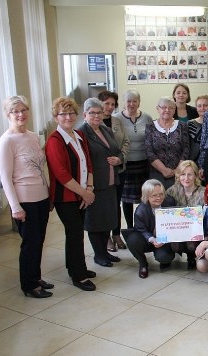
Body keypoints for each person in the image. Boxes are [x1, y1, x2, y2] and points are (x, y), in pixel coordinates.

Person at [0, 96, 52, 298]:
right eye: (15, 111)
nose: (21, 114)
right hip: (24, 201)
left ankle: (36, 277)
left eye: (24, 110)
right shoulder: (6, 141)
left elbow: (40, 168)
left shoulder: (32, 136)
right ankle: (29, 285)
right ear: (7, 115)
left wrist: (48, 194)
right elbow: (6, 178)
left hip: (41, 196)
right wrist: (15, 207)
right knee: (30, 243)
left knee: (39, 241)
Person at [45, 97, 96, 292]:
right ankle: (79, 276)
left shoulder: (79, 136)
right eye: (63, 114)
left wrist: (89, 190)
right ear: (56, 117)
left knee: (76, 234)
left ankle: (75, 267)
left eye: (71, 113)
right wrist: (84, 193)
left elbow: (88, 164)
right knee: (74, 233)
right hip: (65, 198)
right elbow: (62, 175)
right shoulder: (54, 141)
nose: (68, 117)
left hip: (82, 194)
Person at [79, 98, 122, 267]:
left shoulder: (105, 130)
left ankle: (105, 252)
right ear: (85, 114)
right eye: (92, 113)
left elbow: (117, 150)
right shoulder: (81, 133)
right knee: (95, 221)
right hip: (94, 185)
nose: (96, 116)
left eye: (99, 113)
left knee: (108, 220)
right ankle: (99, 255)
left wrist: (119, 159)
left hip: (110, 183)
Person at [114, 89, 153, 230]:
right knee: (127, 199)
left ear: (139, 102)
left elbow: (151, 138)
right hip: (126, 164)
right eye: (128, 101)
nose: (131, 104)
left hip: (144, 163)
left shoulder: (147, 118)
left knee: (144, 197)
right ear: (123, 103)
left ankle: (144, 226)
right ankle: (130, 228)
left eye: (134, 101)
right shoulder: (116, 118)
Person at [97, 90, 130, 252]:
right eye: (106, 103)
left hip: (119, 170)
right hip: (102, 173)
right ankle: (106, 238)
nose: (109, 107)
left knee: (116, 204)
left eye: (112, 104)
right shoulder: (94, 123)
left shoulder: (117, 121)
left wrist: (120, 158)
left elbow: (125, 142)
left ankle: (116, 234)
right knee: (105, 205)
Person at [125, 179, 176, 278]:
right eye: (154, 195)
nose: (158, 198)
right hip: (147, 239)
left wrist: (166, 239)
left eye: (161, 194)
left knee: (165, 258)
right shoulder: (140, 211)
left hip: (164, 239)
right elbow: (141, 230)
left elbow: (174, 224)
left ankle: (163, 258)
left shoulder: (169, 201)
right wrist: (152, 239)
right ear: (146, 196)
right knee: (132, 240)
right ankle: (143, 263)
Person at [163, 160, 205, 270]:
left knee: (191, 245)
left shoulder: (203, 192)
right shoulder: (172, 190)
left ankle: (191, 256)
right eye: (183, 174)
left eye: (190, 174)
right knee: (175, 246)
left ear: (196, 175)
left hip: (197, 230)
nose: (186, 178)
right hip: (179, 229)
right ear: (178, 175)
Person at [145, 97, 189, 189]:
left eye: (171, 108)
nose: (167, 110)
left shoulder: (182, 125)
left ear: (174, 110)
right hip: (157, 173)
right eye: (163, 107)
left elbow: (186, 149)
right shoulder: (150, 127)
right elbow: (149, 152)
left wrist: (178, 170)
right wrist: (163, 170)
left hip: (179, 173)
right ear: (158, 109)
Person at [188, 95, 208, 163]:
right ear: (196, 108)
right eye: (199, 106)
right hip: (192, 163)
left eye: (205, 105)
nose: (202, 108)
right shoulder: (189, 124)